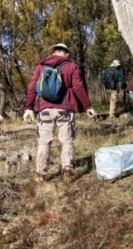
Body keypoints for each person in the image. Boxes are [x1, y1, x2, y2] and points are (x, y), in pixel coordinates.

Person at [23, 43, 96, 183]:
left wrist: (28, 107)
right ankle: (67, 172)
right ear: (67, 53)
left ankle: (40, 174)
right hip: (65, 108)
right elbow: (78, 87)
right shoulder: (71, 66)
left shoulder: (41, 66)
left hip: (44, 109)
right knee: (67, 140)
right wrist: (88, 107)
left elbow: (32, 87)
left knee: (44, 142)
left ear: (53, 52)